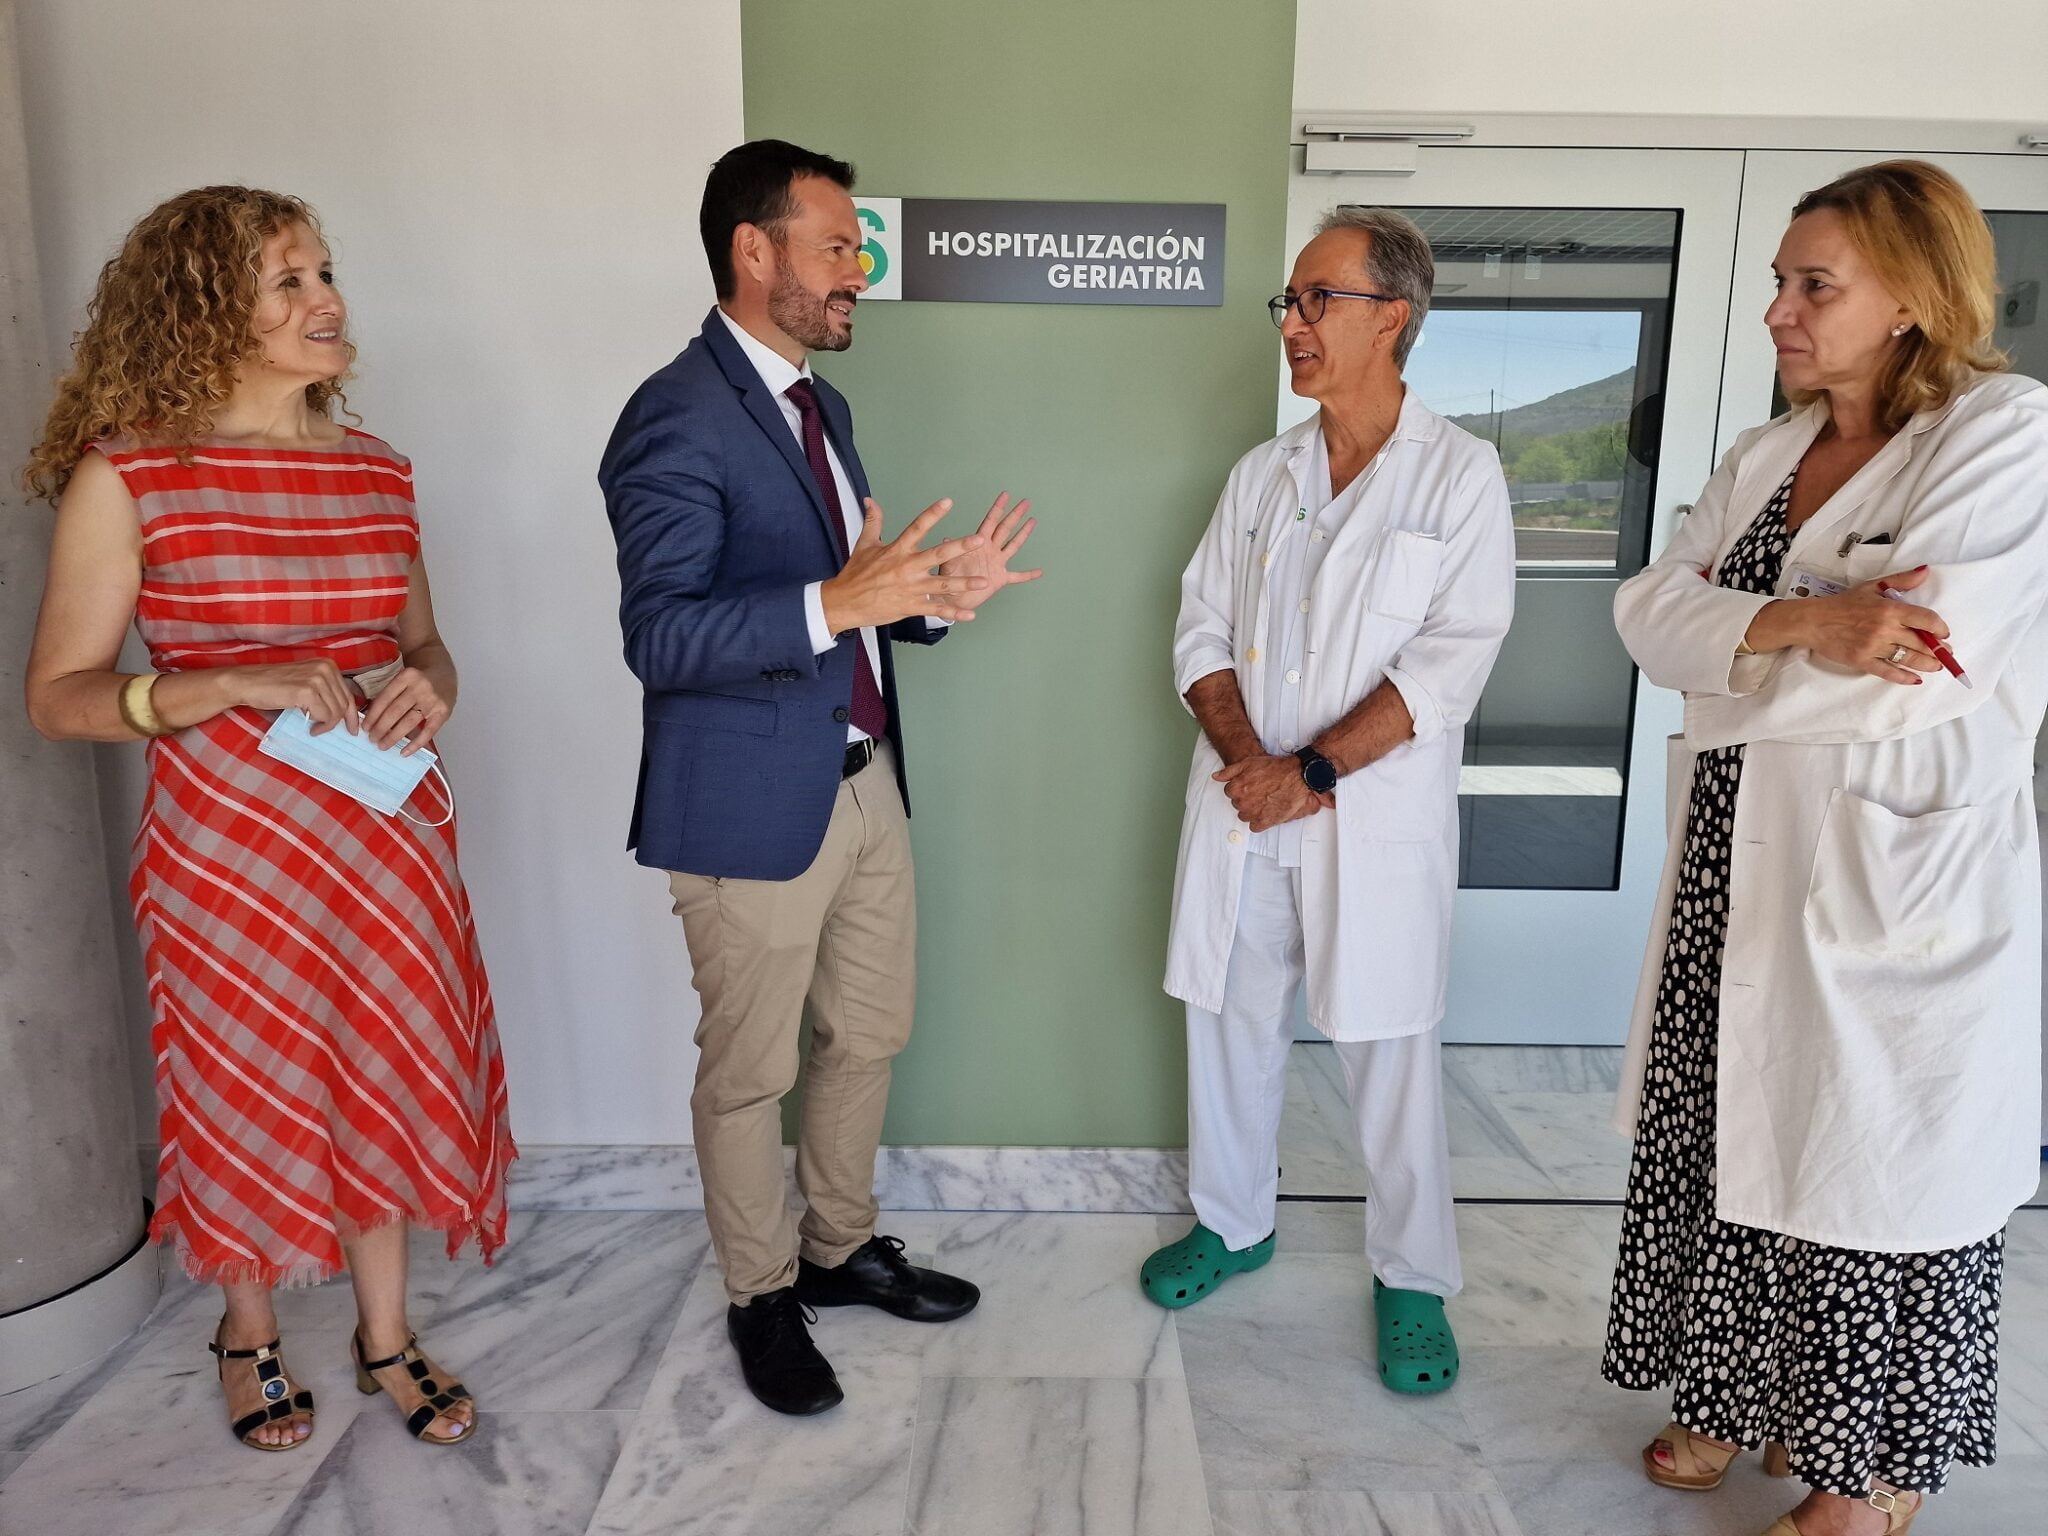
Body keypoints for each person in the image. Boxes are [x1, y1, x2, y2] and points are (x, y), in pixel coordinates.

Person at [23, 187, 513, 1450]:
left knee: (385, 1066)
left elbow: (425, 645)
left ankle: (384, 1334)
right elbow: (59, 697)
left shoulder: (376, 470)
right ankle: (247, 1331)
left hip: (385, 837)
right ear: (201, 312)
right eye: (288, 282)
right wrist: (229, 682)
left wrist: (435, 686)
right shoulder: (133, 473)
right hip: (231, 848)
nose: (327, 301)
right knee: (246, 1078)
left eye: (325, 274)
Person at [1603, 160, 2048, 1536]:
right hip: (1735, 854)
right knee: (1726, 1124)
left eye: (1814, 285)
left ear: (1910, 296)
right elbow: (1643, 615)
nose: (1777, 312)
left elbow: (1919, 671)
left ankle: (1863, 1475)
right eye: (1778, 282)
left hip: (1890, 870)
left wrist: (1724, 659)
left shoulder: (2003, 432)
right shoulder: (1766, 452)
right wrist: (1806, 621)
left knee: (1868, 1158)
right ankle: (1731, 1393)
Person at [598, 140, 1041, 1416]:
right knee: (750, 1074)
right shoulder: (673, 414)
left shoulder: (820, 407)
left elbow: (853, 597)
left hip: (865, 783)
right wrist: (840, 600)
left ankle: (837, 1250)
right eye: (838, 245)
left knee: (868, 1035)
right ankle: (759, 1295)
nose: (859, 268)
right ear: (755, 250)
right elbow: (661, 638)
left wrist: (933, 598)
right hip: (744, 806)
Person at [1143, 207, 1515, 1395]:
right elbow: (1199, 627)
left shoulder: (1458, 476)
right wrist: (1251, 763)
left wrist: (1306, 773)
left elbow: (1450, 662)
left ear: (1389, 317)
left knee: (1388, 1047)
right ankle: (1231, 1221)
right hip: (1247, 810)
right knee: (1228, 1020)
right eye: (1289, 303)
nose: (1292, 323)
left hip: (1365, 822)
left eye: (1317, 300)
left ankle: (1413, 1277)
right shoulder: (1263, 476)